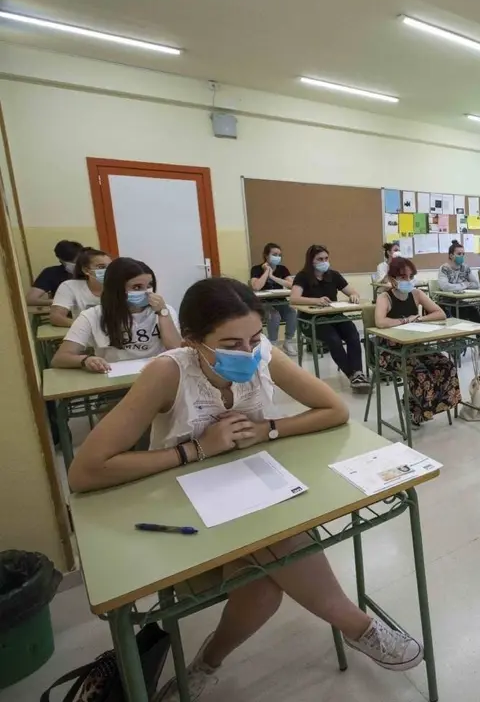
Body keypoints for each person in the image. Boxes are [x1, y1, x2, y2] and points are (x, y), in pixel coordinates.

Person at [67, 278, 423, 702]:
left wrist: (268, 429)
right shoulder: (168, 372)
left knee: (266, 579)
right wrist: (198, 449)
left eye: (254, 337)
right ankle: (355, 625)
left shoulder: (262, 355)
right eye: (231, 343)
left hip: (252, 498)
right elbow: (86, 472)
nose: (247, 351)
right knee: (279, 547)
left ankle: (205, 664)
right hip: (184, 522)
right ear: (193, 341)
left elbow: (334, 409)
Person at [375, 256, 462, 425]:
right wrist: (406, 320)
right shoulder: (385, 297)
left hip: (414, 345)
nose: (408, 281)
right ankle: (414, 411)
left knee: (446, 365)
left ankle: (427, 408)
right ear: (392, 279)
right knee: (421, 373)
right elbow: (380, 322)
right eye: (402, 277)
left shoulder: (416, 294)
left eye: (410, 277)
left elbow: (440, 313)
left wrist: (420, 319)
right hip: (391, 351)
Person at [51, 257, 179, 371]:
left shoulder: (164, 310)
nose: (146, 292)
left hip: (158, 374)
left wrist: (162, 313)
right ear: (116, 288)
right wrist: (85, 360)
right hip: (115, 378)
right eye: (136, 287)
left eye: (149, 285)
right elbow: (60, 358)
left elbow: (176, 349)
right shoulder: (91, 316)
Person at [290, 245, 369, 390]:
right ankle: (352, 376)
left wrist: (353, 295)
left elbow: (353, 292)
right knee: (334, 340)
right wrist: (315, 300)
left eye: (326, 258)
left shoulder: (333, 275)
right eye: (320, 259)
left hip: (335, 316)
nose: (324, 261)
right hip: (311, 320)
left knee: (353, 334)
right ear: (311, 261)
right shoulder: (303, 276)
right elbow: (294, 299)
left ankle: (358, 372)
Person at [249, 242, 297, 356]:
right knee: (273, 315)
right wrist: (266, 271)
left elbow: (292, 285)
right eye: (274, 254)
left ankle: (288, 341)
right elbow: (256, 286)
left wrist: (272, 277)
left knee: (292, 312)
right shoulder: (256, 269)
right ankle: (272, 344)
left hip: (281, 301)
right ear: (266, 256)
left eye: (279, 255)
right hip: (263, 303)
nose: (277, 257)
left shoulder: (282, 269)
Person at [50, 247, 112, 327]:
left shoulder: (121, 286)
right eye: (101, 267)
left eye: (110, 266)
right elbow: (56, 317)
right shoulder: (70, 286)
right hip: (83, 334)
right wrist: (88, 327)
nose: (108, 270)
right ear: (86, 270)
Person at [437, 240, 480, 323]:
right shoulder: (444, 268)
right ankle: (457, 334)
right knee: (457, 314)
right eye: (459, 254)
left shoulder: (465, 268)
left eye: (463, 254)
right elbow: (445, 287)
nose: (461, 256)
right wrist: (464, 284)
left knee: (474, 311)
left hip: (459, 301)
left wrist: (463, 285)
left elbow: (476, 284)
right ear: (451, 255)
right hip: (445, 302)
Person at [26, 239, 82, 305]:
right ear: (60, 259)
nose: (74, 264)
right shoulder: (51, 273)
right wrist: (59, 302)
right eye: (70, 262)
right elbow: (30, 299)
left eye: (76, 261)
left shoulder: (92, 270)